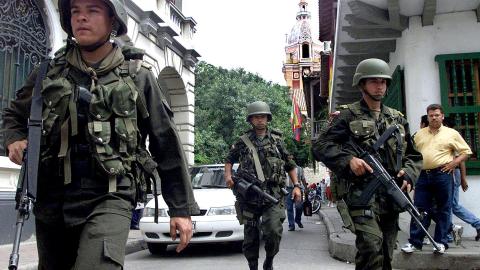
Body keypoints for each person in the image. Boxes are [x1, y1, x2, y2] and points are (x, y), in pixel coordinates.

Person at [3, 0, 199, 269]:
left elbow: (165, 141)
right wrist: (14, 139)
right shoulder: (48, 72)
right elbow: (13, 115)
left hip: (109, 195)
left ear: (113, 21)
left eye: (92, 10)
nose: (82, 18)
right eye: (75, 11)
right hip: (52, 199)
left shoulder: (137, 76)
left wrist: (181, 208)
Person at [313, 58, 422, 270]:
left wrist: (408, 174)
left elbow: (414, 156)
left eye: (383, 82)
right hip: (361, 195)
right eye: (373, 81)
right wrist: (348, 160)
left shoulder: (397, 119)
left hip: (390, 196)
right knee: (371, 247)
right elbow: (320, 146)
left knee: (387, 254)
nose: (379, 86)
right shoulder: (347, 115)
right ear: (362, 84)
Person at [225, 101, 301, 270]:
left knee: (273, 231)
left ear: (268, 119)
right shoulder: (242, 141)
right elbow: (229, 159)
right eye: (256, 117)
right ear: (250, 120)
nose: (260, 120)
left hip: (273, 193)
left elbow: (290, 164)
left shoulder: (277, 140)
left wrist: (296, 186)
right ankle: (252, 265)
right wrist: (228, 176)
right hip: (249, 194)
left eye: (263, 117)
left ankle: (270, 259)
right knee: (251, 235)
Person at [401, 104, 472, 254]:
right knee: (419, 208)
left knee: (444, 209)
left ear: (442, 116)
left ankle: (441, 243)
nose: (434, 117)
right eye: (431, 115)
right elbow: (410, 154)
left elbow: (466, 152)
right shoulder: (419, 134)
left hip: (442, 174)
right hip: (422, 176)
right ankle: (415, 242)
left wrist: (454, 163)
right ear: (427, 117)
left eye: (437, 115)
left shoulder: (451, 133)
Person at [285, 157, 308, 231]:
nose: (290, 160)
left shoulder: (300, 169)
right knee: (289, 208)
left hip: (298, 189)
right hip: (288, 189)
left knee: (299, 207)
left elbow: (303, 179)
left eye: (291, 159)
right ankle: (291, 225)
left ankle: (297, 220)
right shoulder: (285, 168)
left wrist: (306, 188)